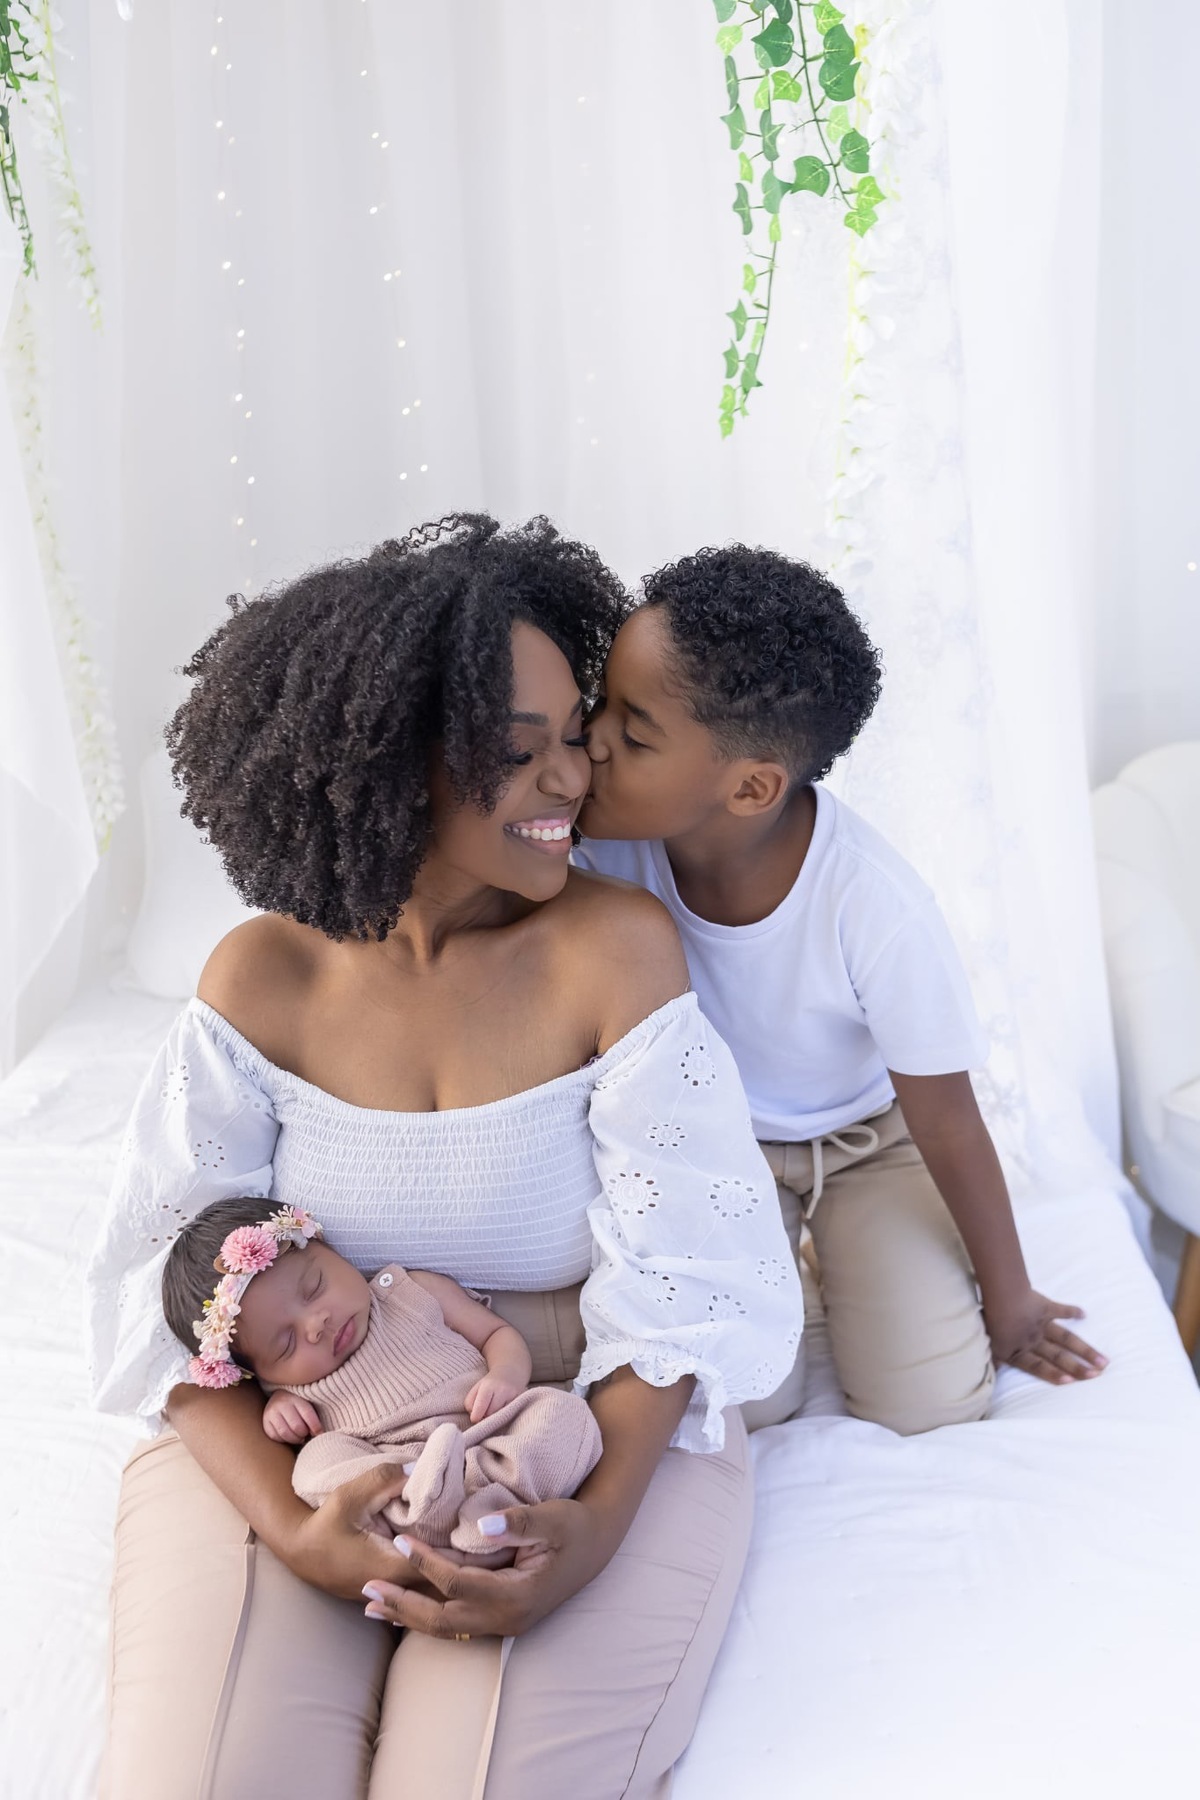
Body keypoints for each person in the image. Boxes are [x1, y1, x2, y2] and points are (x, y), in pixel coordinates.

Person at [87, 514, 803, 1800]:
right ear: (388, 770)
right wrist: (299, 1532)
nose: (571, 782)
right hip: (310, 1437)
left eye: (574, 739)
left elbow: (686, 1286)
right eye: (515, 758)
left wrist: (584, 1536)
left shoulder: (614, 950)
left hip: (579, 1419)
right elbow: (167, 1299)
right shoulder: (268, 977)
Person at [576, 544, 1107, 1438]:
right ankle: (803, 1259)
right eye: (602, 702)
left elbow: (946, 1118)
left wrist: (1010, 1298)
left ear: (750, 787)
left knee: (931, 1404)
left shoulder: (873, 903)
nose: (590, 740)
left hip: (873, 1147)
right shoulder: (605, 849)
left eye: (632, 734)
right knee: (746, 1400)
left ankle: (856, 1250)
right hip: (726, 1150)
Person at [161, 1196, 603, 1556]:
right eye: (285, 1344)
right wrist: (279, 1408)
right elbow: (295, 1431)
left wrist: (506, 1374)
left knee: (562, 1412)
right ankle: (440, 1518)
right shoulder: (283, 1388)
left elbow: (496, 1333)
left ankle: (491, 1514)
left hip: (493, 1431)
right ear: (259, 1371)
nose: (316, 1325)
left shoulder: (412, 1291)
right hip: (404, 1471)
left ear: (327, 1248)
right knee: (314, 1465)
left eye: (315, 1288)